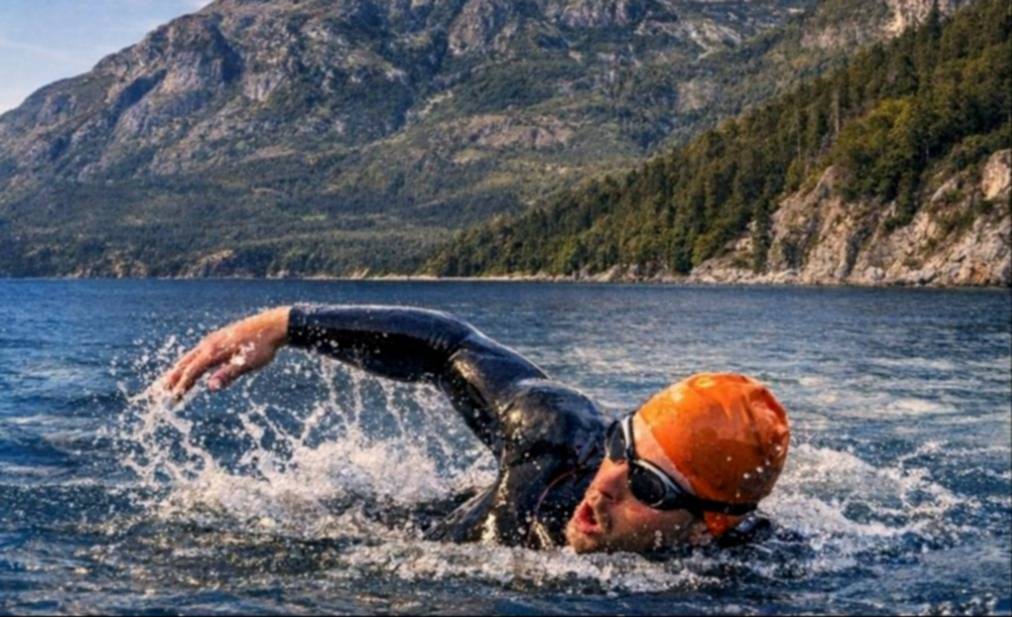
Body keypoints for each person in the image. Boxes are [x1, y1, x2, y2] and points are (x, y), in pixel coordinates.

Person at [161, 304, 790, 554]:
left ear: (710, 525)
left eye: (647, 486)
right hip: (412, 536)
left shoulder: (749, 569)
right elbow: (449, 345)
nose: (606, 485)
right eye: (621, 446)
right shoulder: (555, 432)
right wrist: (285, 325)